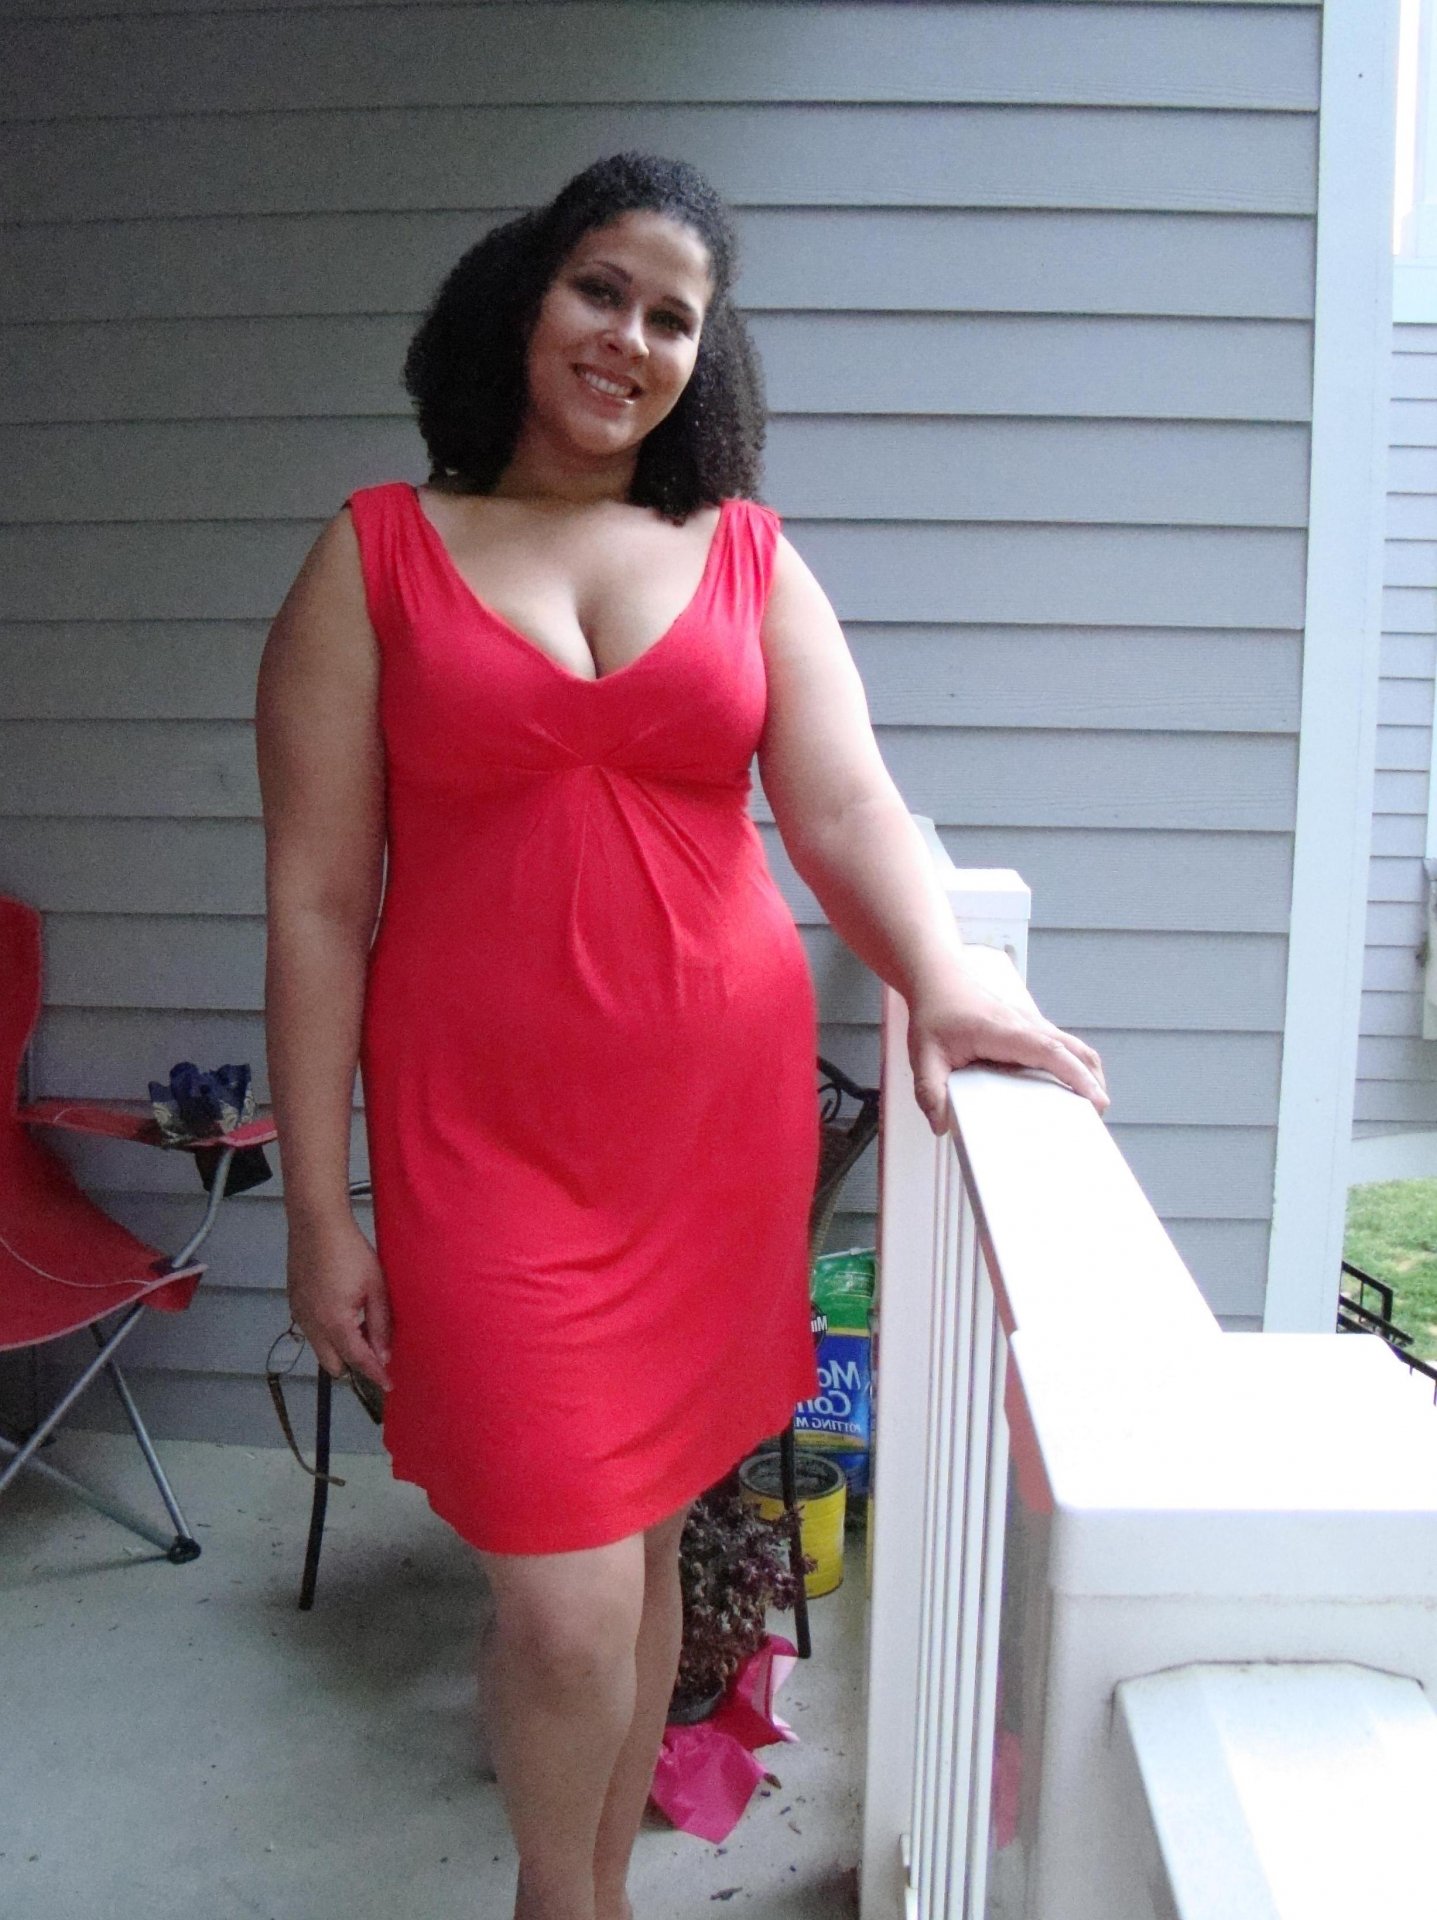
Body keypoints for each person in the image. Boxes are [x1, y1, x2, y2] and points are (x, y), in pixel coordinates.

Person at [255, 150, 1107, 1920]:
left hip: (705, 1141)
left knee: (640, 1538)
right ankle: (554, 1897)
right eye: (600, 289)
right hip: (483, 1146)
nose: (627, 339)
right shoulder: (374, 555)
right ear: (524, 296)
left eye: (670, 317)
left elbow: (847, 809)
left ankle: (596, 1897)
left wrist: (946, 976)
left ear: (701, 358)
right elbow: (320, 905)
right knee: (560, 1600)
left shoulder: (744, 557)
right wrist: (322, 1211)